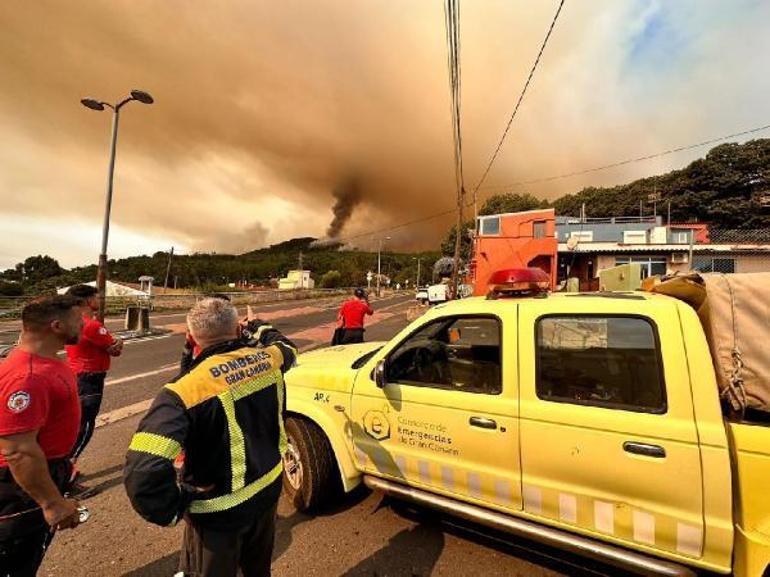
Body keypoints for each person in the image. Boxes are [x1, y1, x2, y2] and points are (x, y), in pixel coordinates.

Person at [124, 298, 297, 577]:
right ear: (239, 332)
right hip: (268, 492)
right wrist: (258, 325)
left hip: (219, 513)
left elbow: (144, 470)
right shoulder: (270, 359)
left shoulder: (183, 392)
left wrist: (175, 506)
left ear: (190, 337)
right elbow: (286, 345)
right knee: (258, 569)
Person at [0, 296, 85, 576]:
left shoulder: (46, 361)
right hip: (19, 485)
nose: (84, 324)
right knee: (16, 561)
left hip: (43, 472)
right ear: (57, 325)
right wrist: (51, 503)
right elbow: (18, 450)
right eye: (78, 319)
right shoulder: (29, 376)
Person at [64, 285, 123, 477]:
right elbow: (115, 349)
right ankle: (67, 471)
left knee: (74, 423)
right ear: (88, 301)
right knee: (85, 425)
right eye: (96, 297)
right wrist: (119, 341)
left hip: (75, 374)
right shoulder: (92, 325)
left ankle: (62, 467)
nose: (99, 300)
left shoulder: (71, 322)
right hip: (91, 378)